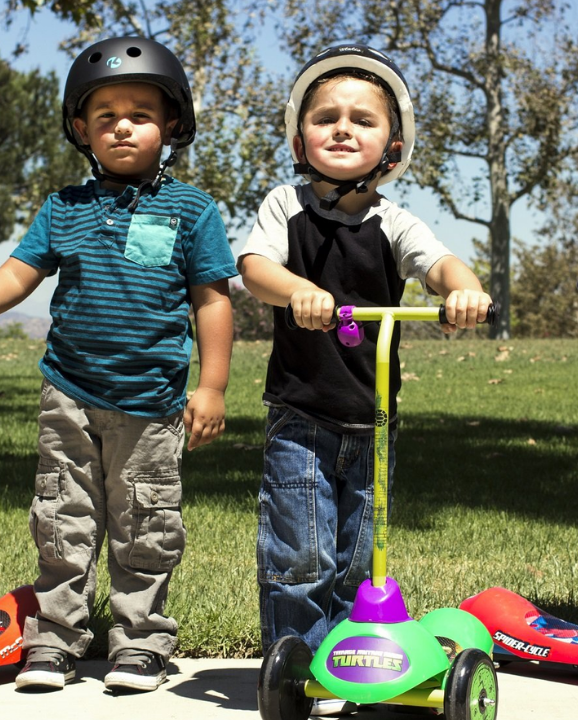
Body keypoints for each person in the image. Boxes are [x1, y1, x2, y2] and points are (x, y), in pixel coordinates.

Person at [0, 36, 236, 693]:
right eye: (106, 115)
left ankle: (140, 644)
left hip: (149, 400)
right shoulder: (65, 208)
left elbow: (212, 300)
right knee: (62, 521)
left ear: (171, 126)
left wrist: (214, 385)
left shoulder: (191, 210)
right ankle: (53, 642)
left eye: (140, 113)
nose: (122, 126)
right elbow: (17, 274)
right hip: (69, 394)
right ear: (81, 130)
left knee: (145, 524)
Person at [237, 44, 492, 716]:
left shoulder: (393, 220)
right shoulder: (284, 206)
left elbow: (441, 265)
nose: (343, 128)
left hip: (374, 418)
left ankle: (355, 669)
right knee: (301, 554)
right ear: (300, 138)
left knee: (360, 561)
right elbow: (254, 267)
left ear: (393, 145)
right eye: (327, 117)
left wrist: (463, 291)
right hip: (302, 416)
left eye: (362, 119)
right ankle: (295, 668)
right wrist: (298, 290)